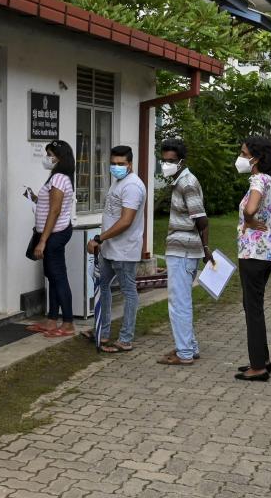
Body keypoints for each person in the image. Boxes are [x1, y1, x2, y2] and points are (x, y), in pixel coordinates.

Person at [156, 139, 212, 366]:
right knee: (183, 301)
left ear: (181, 161)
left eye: (171, 161)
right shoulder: (182, 180)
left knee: (179, 303)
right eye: (164, 160)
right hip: (184, 249)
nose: (166, 164)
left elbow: (201, 218)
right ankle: (189, 346)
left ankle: (184, 353)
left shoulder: (186, 183)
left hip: (184, 250)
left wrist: (206, 249)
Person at [86, 145, 147, 353]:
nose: (116, 167)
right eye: (113, 163)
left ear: (130, 164)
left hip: (124, 250)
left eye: (121, 164)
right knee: (102, 286)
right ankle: (101, 332)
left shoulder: (132, 186)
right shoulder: (119, 182)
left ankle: (125, 338)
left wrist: (98, 238)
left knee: (129, 292)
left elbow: (125, 221)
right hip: (109, 249)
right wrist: (103, 242)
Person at [234, 135, 271, 381]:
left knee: (252, 309)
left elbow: (250, 208)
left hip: (253, 253)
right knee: (255, 306)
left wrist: (249, 218)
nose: (241, 158)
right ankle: (261, 358)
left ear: (257, 157)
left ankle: (258, 367)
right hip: (268, 253)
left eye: (244, 153)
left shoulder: (258, 179)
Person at [27, 140, 77, 338]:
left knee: (58, 278)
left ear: (59, 158)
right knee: (53, 277)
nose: (47, 158)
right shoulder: (59, 178)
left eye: (50, 154)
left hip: (55, 234)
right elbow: (52, 205)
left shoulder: (59, 179)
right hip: (54, 233)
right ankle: (51, 319)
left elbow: (55, 211)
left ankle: (68, 323)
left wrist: (42, 241)